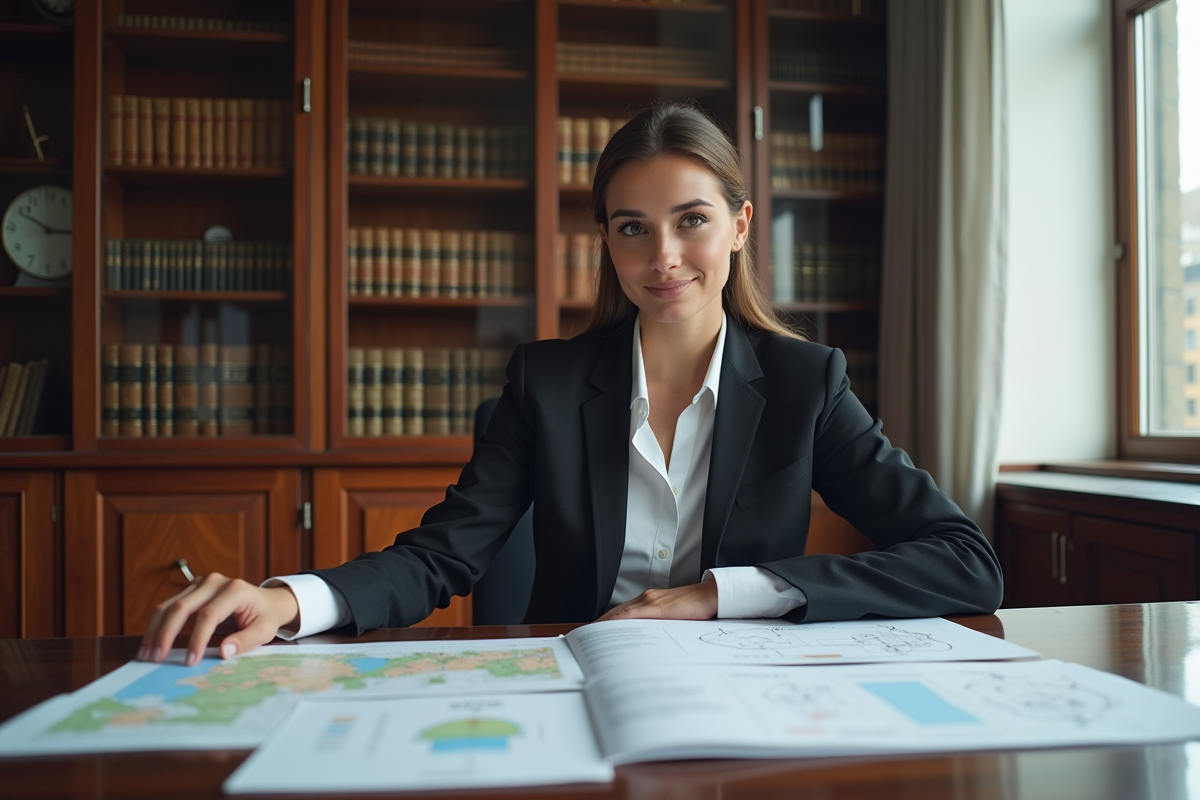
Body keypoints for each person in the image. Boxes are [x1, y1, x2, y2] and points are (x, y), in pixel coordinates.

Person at [139, 103, 1003, 668]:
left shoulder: (806, 383)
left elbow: (966, 562)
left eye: (691, 221)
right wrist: (287, 598)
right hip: (572, 681)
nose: (662, 257)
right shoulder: (545, 383)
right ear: (608, 242)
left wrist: (721, 596)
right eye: (633, 229)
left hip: (744, 691)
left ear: (739, 227)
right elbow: (442, 556)